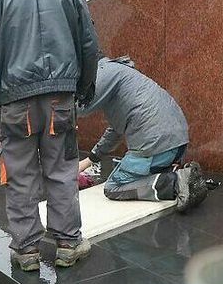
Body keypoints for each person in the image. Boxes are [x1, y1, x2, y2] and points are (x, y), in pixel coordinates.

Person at [0, 0, 100, 272]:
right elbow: (88, 42)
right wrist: (84, 87)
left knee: (21, 175)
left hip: (14, 103)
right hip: (60, 99)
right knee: (62, 169)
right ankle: (68, 243)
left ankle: (26, 251)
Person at [78, 56, 208, 211]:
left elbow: (81, 107)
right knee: (130, 169)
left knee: (114, 187)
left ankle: (176, 182)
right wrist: (87, 162)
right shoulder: (121, 74)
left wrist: (54, 104)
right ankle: (178, 172)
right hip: (176, 144)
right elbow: (115, 131)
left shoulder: (102, 72)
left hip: (156, 144)